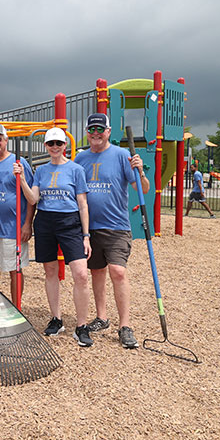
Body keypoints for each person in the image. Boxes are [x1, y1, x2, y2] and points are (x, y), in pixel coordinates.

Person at [74, 113, 150, 349]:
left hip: (117, 226)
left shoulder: (121, 155)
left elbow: (142, 189)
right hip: (89, 228)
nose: (95, 133)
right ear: (87, 132)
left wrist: (141, 172)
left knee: (117, 271)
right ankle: (102, 317)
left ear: (108, 131)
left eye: (100, 129)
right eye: (91, 129)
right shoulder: (80, 158)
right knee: (96, 272)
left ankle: (125, 326)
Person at [19, 127, 93, 347]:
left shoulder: (76, 169)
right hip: (46, 221)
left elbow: (82, 203)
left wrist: (86, 235)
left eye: (58, 144)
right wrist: (22, 179)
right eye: (50, 144)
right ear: (45, 146)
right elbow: (33, 199)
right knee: (50, 271)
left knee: (80, 274)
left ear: (64, 146)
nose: (54, 147)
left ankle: (81, 325)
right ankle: (56, 318)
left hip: (70, 223)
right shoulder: (40, 171)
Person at [0, 123, 34, 307]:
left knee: (14, 270)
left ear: (6, 140)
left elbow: (30, 198)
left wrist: (27, 224)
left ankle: (16, 306)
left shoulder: (19, 163)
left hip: (13, 228)